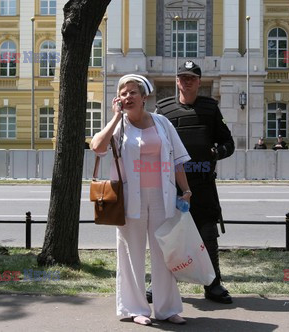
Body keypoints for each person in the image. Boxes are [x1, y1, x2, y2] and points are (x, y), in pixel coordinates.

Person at [90, 74, 190, 326]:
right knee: (130, 253)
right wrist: (114, 117)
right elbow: (97, 147)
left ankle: (167, 309)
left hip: (161, 196)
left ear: (144, 97)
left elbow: (177, 159)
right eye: (123, 94)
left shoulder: (162, 123)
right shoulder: (119, 126)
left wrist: (186, 190)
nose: (128, 97)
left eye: (133, 92)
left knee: (164, 254)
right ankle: (135, 309)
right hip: (128, 198)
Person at [155, 60, 235, 304]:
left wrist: (215, 153)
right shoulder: (163, 109)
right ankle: (160, 285)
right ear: (177, 81)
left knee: (207, 234)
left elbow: (228, 144)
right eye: (183, 77)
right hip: (173, 187)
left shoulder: (211, 109)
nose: (187, 81)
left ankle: (213, 284)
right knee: (167, 237)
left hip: (202, 184)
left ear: (199, 82)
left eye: (192, 77)